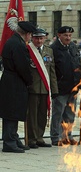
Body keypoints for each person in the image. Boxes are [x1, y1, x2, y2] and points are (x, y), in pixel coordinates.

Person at [0, 21, 36, 153]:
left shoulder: (14, 41)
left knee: (14, 111)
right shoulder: (17, 44)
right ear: (26, 34)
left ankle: (13, 138)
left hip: (12, 80)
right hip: (14, 81)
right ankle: (9, 142)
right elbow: (22, 66)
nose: (30, 37)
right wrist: (29, 80)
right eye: (30, 34)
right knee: (11, 111)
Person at [27, 28, 58, 148]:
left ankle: (40, 137)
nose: (39, 40)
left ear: (45, 38)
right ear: (32, 38)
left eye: (41, 38)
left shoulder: (48, 51)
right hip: (33, 88)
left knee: (42, 114)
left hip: (45, 88)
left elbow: (52, 72)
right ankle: (32, 138)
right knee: (32, 115)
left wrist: (54, 89)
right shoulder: (28, 50)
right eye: (36, 38)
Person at [50, 26, 80, 146]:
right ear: (59, 35)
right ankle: (55, 136)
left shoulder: (72, 46)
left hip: (73, 86)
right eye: (65, 36)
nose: (68, 38)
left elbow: (77, 62)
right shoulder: (53, 49)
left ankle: (68, 135)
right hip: (60, 86)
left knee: (70, 113)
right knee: (58, 113)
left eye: (69, 36)